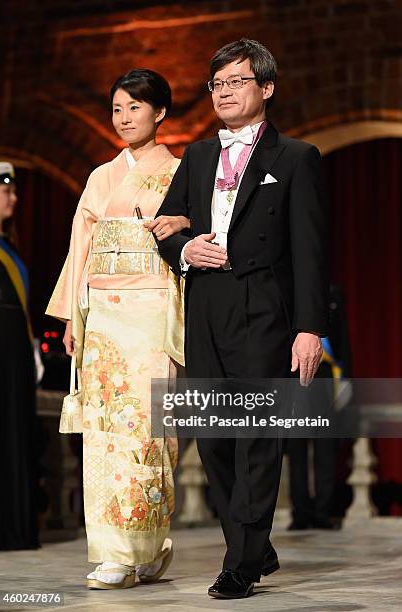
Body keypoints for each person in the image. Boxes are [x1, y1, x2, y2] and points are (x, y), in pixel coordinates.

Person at [156, 39, 330, 599]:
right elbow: (165, 225)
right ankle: (254, 541)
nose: (224, 92)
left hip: (265, 308)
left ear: (266, 87)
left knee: (256, 435)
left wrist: (310, 328)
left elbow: (310, 250)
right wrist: (186, 249)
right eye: (217, 84)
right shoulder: (198, 156)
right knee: (213, 437)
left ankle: (242, 561)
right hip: (206, 303)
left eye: (236, 82)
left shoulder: (296, 158)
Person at [46, 69, 189, 589]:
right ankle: (114, 551)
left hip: (151, 308)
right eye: (117, 109)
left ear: (160, 113)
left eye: (135, 107)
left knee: (147, 428)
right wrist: (72, 316)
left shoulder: (180, 170)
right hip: (103, 312)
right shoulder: (100, 176)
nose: (125, 118)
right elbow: (78, 249)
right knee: (105, 431)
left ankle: (147, 545)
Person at [0, 162, 39, 550]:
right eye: (4, 190)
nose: (13, 197)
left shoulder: (10, 247)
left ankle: (16, 528)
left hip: (16, 353)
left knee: (16, 434)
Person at [288, 284, 352, 530]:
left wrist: (347, 379)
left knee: (326, 447)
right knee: (297, 447)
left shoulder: (332, 293)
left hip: (327, 374)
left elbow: (343, 339)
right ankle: (300, 512)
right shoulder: (287, 291)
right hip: (294, 374)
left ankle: (324, 511)